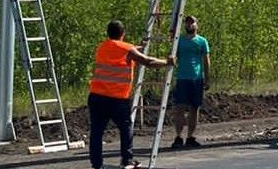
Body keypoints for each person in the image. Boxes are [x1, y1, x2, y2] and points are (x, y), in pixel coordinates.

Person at [88, 20, 174, 169]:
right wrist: (167, 62)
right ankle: (127, 159)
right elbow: (147, 61)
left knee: (96, 131)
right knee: (125, 127)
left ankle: (96, 164)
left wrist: (139, 47)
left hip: (96, 96)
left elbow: (121, 50)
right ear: (123, 33)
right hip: (116, 98)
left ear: (108, 33)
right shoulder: (127, 49)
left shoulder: (102, 47)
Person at [170, 15, 211, 149]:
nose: (189, 25)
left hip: (197, 78)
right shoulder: (179, 41)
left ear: (196, 24)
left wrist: (208, 78)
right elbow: (173, 56)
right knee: (179, 108)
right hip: (182, 78)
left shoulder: (202, 41)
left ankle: (190, 137)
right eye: (187, 23)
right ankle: (178, 136)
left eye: (192, 22)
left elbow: (206, 60)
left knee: (194, 108)